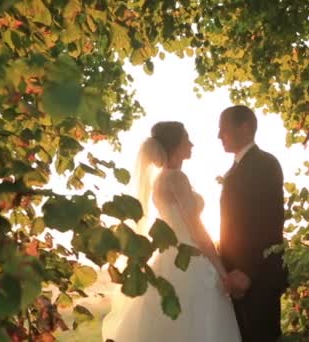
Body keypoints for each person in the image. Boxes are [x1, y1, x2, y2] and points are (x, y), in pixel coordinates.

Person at [102, 121, 241, 342]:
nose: (192, 144)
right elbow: (195, 227)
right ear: (176, 144)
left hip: (169, 258)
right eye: (187, 139)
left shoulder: (162, 179)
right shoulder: (176, 178)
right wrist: (222, 271)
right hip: (190, 259)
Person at [218, 105, 288, 342]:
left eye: (223, 129)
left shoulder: (265, 164)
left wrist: (247, 271)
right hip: (235, 280)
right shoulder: (234, 170)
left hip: (258, 278)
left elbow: (269, 222)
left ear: (245, 128)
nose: (219, 136)